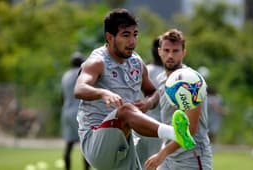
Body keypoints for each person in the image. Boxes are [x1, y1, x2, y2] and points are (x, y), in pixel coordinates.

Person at [74, 9, 195, 170]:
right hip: (96, 142)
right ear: (110, 37)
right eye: (126, 35)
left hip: (126, 142)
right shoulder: (97, 61)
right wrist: (103, 93)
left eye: (135, 34)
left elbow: (153, 92)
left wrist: (148, 104)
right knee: (125, 110)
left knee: (139, 118)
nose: (132, 41)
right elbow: (79, 88)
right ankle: (174, 134)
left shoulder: (137, 63)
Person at [145, 29, 212, 170]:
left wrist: (161, 154)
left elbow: (190, 130)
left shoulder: (191, 81)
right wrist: (148, 103)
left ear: (183, 53)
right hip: (169, 155)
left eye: (175, 51)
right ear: (159, 52)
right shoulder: (161, 79)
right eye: (166, 50)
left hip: (192, 157)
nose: (170, 55)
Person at [134, 37, 164, 168]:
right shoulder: (168, 74)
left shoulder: (143, 69)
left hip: (137, 124)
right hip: (157, 127)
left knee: (137, 165)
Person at [61, 52, 90, 170]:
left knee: (69, 144)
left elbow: (62, 96)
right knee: (85, 144)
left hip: (66, 111)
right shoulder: (82, 73)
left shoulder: (65, 75)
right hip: (79, 111)